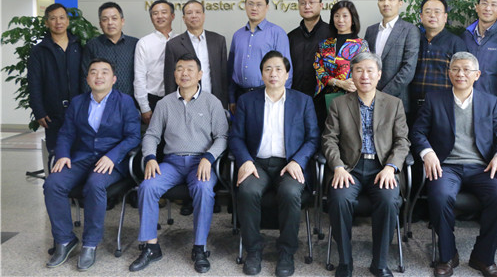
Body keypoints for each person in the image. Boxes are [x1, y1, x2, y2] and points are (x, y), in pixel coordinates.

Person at [410, 51, 497, 277]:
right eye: (455, 69)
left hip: (481, 167)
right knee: (440, 196)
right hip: (446, 165)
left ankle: (483, 257)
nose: (460, 74)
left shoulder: (490, 102)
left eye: (466, 70)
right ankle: (448, 256)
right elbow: (417, 132)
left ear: (477, 74)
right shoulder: (434, 99)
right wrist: (428, 153)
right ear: (449, 74)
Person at [129, 53, 228, 273]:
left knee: (203, 188)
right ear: (174, 74)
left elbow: (222, 137)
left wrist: (209, 157)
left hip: (200, 162)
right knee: (147, 186)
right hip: (172, 163)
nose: (184, 73)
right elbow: (152, 135)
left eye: (190, 69)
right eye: (180, 68)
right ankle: (151, 247)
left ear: (200, 74)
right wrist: (150, 157)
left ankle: (199, 248)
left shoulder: (212, 102)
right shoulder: (164, 104)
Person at [43, 58, 140, 271]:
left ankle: (90, 243)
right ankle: (65, 240)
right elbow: (66, 133)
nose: (99, 76)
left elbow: (133, 136)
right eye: (94, 72)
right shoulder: (78, 102)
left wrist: (112, 156)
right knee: (53, 184)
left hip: (112, 161)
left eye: (104, 72)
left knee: (95, 184)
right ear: (87, 79)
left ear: (114, 79)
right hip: (82, 157)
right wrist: (63, 155)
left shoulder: (125, 102)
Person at [229, 51, 319, 277]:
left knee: (290, 192)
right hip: (256, 163)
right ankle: (253, 250)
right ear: (261, 74)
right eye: (268, 69)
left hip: (289, 164)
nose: (273, 73)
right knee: (247, 191)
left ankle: (286, 252)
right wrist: (246, 161)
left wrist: (298, 161)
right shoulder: (247, 101)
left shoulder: (303, 101)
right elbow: (236, 137)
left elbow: (313, 138)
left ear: (287, 74)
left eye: (279, 69)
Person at [322, 52, 410, 277]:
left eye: (370, 70)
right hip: (349, 169)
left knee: (389, 200)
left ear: (379, 74)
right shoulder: (339, 104)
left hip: (382, 168)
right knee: (339, 199)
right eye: (359, 70)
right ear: (352, 74)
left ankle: (379, 263)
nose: (365, 76)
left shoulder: (394, 104)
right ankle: (345, 262)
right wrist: (338, 167)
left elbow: (402, 141)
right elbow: (329, 139)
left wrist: (391, 167)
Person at [27, 3, 81, 156]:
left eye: (62, 18)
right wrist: (39, 111)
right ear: (46, 22)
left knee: (80, 154)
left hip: (78, 111)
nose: (58, 22)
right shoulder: (39, 50)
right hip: (52, 113)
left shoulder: (78, 46)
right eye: (53, 18)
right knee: (57, 155)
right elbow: (34, 82)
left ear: (68, 21)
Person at [228, 0, 293, 114]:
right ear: (245, 6)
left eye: (259, 4)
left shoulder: (277, 33)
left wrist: (282, 100)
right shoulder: (238, 35)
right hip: (240, 95)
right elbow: (231, 69)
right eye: (250, 4)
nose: (254, 8)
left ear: (267, 7)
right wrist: (231, 98)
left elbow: (286, 69)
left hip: (266, 94)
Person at [364, 0, 420, 113]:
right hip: (369, 98)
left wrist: (382, 95)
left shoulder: (410, 30)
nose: (386, 3)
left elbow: (408, 69)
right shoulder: (371, 31)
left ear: (400, 3)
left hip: (396, 99)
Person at [410, 0, 467, 121]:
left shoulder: (456, 42)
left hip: (443, 108)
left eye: (437, 12)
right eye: (428, 12)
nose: (432, 15)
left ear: (445, 17)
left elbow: (463, 77)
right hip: (413, 107)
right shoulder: (413, 40)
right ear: (421, 17)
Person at [314, 0, 369, 126]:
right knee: (327, 132)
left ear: (353, 19)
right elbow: (318, 69)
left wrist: (349, 85)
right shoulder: (324, 44)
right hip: (325, 99)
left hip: (352, 99)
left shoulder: (361, 45)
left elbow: (365, 71)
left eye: (345, 16)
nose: (340, 20)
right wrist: (339, 83)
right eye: (337, 16)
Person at [164, 0, 228, 108]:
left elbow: (224, 76)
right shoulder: (173, 44)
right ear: (184, 18)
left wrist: (224, 104)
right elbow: (170, 80)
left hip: (214, 100)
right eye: (189, 13)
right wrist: (172, 106)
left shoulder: (218, 40)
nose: (194, 16)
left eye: (198, 12)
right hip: (185, 103)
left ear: (203, 16)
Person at [288, 0, 330, 128]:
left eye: (311, 2)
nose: (307, 6)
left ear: (321, 5)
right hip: (296, 101)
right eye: (303, 3)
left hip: (325, 102)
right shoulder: (290, 37)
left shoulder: (332, 33)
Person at [81, 2, 138, 97]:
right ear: (100, 24)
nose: (110, 23)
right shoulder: (92, 46)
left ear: (122, 21)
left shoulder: (135, 44)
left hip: (131, 100)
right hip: (102, 101)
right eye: (105, 19)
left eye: (114, 18)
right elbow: (86, 77)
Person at [134, 0, 176, 125]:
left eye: (164, 12)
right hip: (154, 100)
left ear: (172, 16)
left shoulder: (181, 40)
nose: (159, 16)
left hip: (178, 98)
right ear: (151, 18)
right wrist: (144, 107)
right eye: (155, 13)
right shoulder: (144, 43)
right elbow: (139, 77)